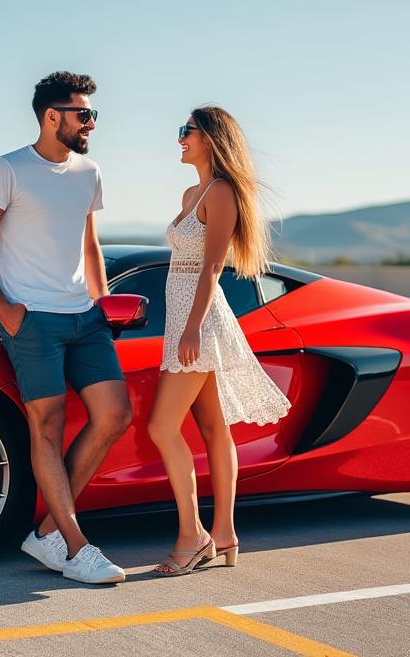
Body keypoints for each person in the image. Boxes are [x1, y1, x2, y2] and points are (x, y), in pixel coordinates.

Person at [0, 71, 132, 585]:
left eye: (93, 114)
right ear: (51, 115)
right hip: (32, 319)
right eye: (84, 114)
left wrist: (103, 302)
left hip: (84, 317)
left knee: (114, 415)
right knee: (48, 427)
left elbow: (90, 244)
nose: (91, 124)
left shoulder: (89, 172)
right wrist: (7, 311)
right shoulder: (7, 170)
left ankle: (47, 533)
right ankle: (77, 546)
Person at [147, 105, 292, 576]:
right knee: (212, 429)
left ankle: (193, 536)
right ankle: (224, 532)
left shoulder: (222, 191)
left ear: (209, 137)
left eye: (185, 131)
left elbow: (211, 267)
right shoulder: (192, 191)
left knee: (161, 427)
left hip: (201, 322)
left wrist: (191, 328)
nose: (179, 139)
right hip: (185, 322)